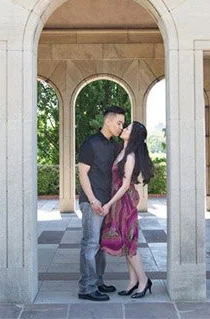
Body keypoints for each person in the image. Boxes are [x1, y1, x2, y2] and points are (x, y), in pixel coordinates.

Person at [76, 105, 126, 301]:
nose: (121, 127)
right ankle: (86, 288)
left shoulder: (113, 145)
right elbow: (82, 173)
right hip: (92, 202)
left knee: (100, 245)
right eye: (118, 123)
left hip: (106, 203)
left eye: (122, 124)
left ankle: (97, 281)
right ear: (107, 121)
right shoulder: (90, 143)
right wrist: (93, 200)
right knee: (90, 244)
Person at [100, 120, 154, 298]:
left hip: (125, 204)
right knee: (126, 244)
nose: (124, 129)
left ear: (134, 136)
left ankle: (143, 281)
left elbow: (124, 186)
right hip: (119, 202)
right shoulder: (121, 151)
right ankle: (132, 281)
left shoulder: (130, 156)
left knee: (129, 244)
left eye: (128, 128)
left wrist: (109, 204)